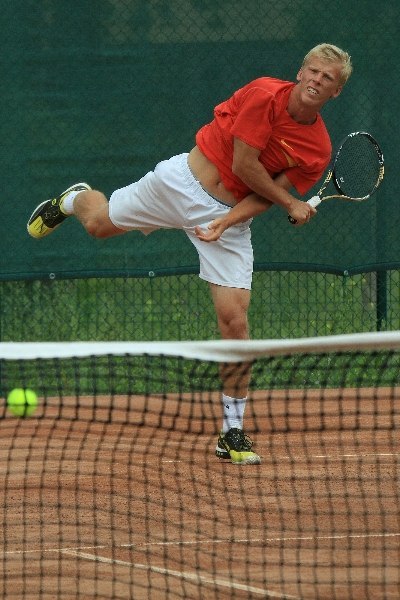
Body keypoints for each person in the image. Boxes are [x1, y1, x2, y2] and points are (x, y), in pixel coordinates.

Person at [27, 43, 352, 466]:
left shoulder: (317, 149)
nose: (316, 81)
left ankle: (232, 430)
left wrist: (225, 222)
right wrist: (292, 205)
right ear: (300, 71)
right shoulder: (263, 95)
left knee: (235, 319)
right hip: (179, 183)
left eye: (327, 79)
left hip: (228, 215)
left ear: (336, 92)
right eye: (312, 71)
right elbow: (246, 163)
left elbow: (265, 196)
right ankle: (75, 199)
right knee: (98, 226)